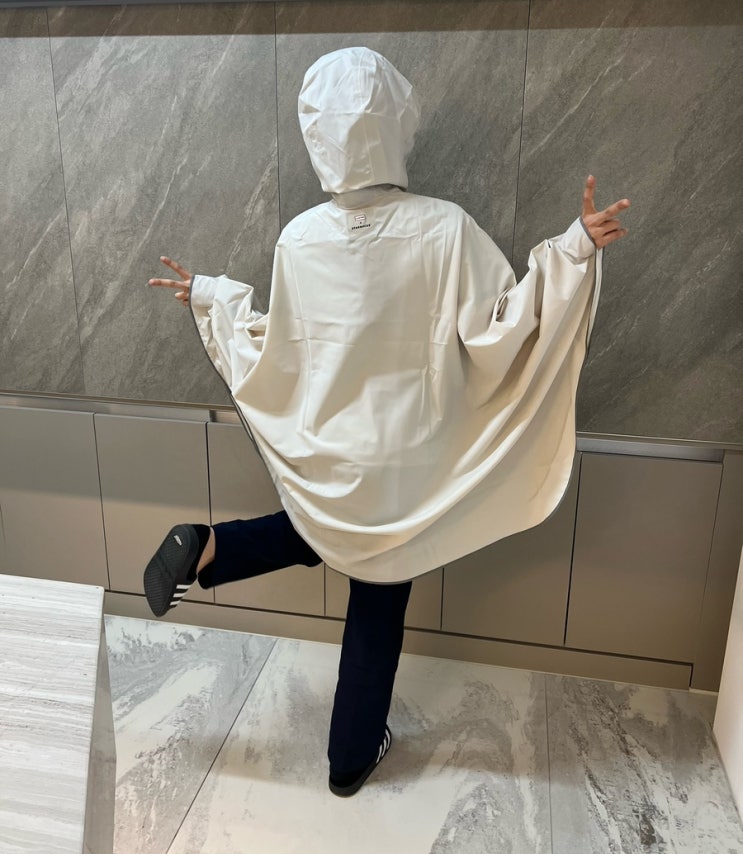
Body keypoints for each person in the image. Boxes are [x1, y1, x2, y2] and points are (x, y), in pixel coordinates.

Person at [146, 47, 630, 797]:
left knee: (327, 528)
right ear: (397, 123)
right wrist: (572, 249)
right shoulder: (446, 228)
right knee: (378, 590)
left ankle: (210, 547)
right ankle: (348, 759)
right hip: (409, 461)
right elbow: (502, 329)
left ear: (316, 133)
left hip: (332, 456)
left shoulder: (300, 238)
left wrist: (212, 295)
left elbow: (277, 345)